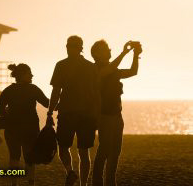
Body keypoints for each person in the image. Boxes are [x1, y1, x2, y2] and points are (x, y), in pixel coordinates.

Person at [47, 35, 100, 186]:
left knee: (70, 148)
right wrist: (97, 114)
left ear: (78, 48)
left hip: (70, 112)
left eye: (72, 46)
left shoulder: (62, 65)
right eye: (69, 46)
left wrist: (50, 112)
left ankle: (74, 175)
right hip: (83, 113)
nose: (70, 49)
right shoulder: (90, 66)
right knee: (78, 150)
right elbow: (96, 93)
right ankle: (75, 176)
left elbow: (56, 91)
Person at [91, 40, 142, 186]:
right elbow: (109, 69)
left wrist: (135, 55)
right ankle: (97, 182)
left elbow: (133, 72)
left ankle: (110, 182)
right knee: (104, 150)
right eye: (105, 48)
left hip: (116, 114)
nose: (109, 49)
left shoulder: (113, 70)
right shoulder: (96, 69)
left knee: (115, 152)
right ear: (97, 54)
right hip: (104, 115)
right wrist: (125, 52)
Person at [0, 63, 49, 186]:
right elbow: (47, 103)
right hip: (31, 128)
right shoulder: (33, 89)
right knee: (29, 157)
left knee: (14, 156)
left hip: (12, 128)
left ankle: (14, 183)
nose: (32, 75)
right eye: (29, 73)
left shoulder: (9, 90)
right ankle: (31, 183)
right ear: (22, 75)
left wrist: (8, 114)